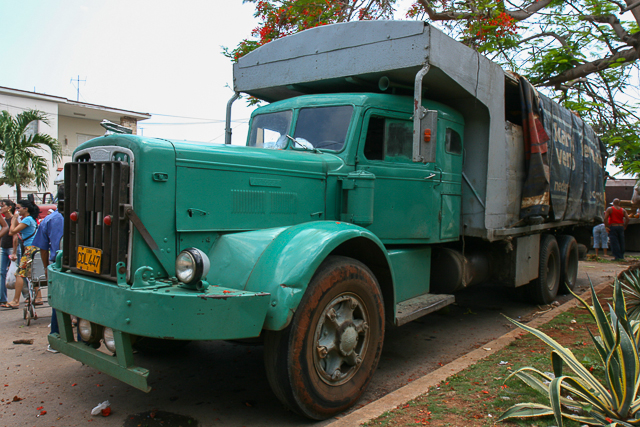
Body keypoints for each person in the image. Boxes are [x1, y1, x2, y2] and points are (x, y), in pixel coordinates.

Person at [32, 188, 63, 353]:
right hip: (81, 265)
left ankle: (56, 337)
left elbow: (43, 248)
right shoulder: (87, 216)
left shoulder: (49, 220)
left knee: (57, 301)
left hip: (57, 264)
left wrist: (45, 267)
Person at [4, 199, 40, 309]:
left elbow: (11, 232)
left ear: (26, 209)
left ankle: (15, 300)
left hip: (29, 249)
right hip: (34, 248)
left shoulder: (28, 219)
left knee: (20, 273)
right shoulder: (29, 219)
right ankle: (38, 297)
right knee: (33, 273)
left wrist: (13, 219)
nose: (17, 210)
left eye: (19, 208)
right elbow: (19, 228)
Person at [0, 201, 16, 307]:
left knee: (17, 272)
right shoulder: (4, 219)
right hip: (4, 247)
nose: (1, 207)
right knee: (2, 273)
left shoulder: (14, 219)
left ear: (9, 207)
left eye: (2, 205)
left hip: (12, 248)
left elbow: (14, 235)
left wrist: (14, 251)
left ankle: (27, 295)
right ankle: (2, 299)